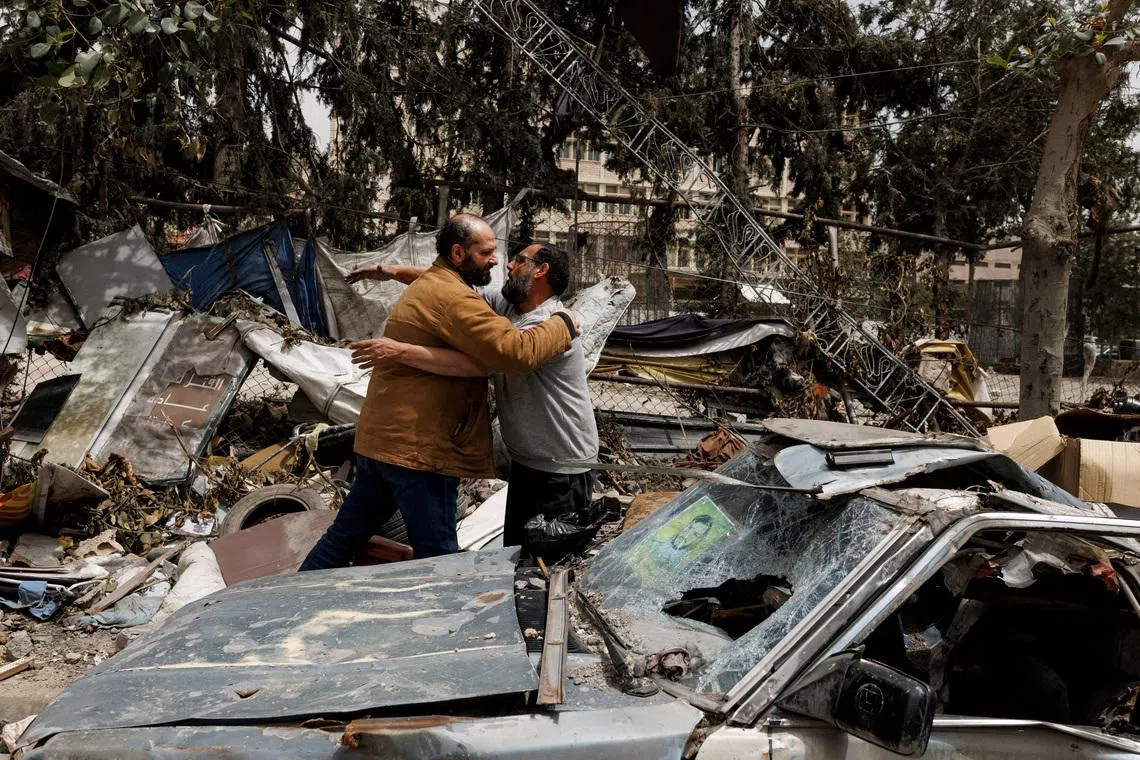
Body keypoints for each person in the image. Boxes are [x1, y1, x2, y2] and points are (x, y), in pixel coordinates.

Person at [299, 216, 580, 569]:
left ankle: (282, 604)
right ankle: (446, 623)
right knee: (440, 557)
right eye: (487, 252)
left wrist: (389, 270)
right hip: (419, 452)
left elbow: (475, 353)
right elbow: (514, 352)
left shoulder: (438, 283)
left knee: (344, 536)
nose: (499, 260)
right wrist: (565, 323)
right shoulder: (455, 299)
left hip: (383, 441)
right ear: (459, 253)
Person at [347, 243, 599, 556]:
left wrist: (400, 351)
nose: (507, 265)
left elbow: (489, 361)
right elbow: (445, 288)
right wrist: (390, 272)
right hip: (527, 462)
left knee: (548, 565)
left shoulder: (549, 324)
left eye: (519, 260)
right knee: (518, 559)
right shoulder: (507, 307)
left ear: (540, 270)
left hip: (562, 469)